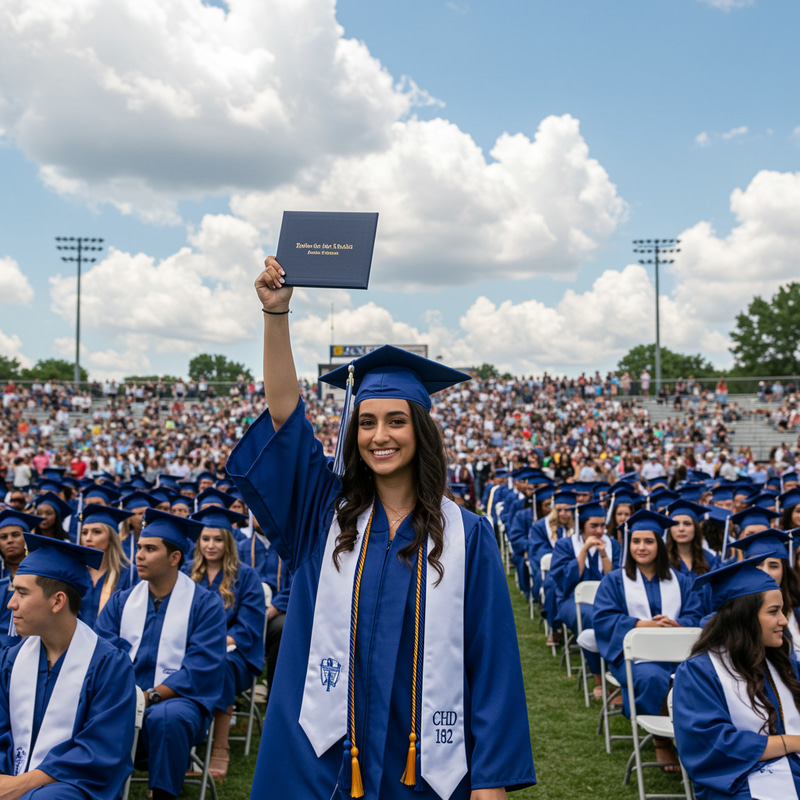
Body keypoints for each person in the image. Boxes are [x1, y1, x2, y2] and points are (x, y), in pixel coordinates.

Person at [226, 256, 536, 799]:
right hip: (319, 752)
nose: (379, 435)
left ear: (420, 430)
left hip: (420, 756)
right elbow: (285, 420)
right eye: (366, 421)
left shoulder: (467, 535)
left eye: (396, 421)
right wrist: (276, 316)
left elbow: (492, 665)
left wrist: (492, 782)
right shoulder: (322, 514)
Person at [96, 508, 227, 800]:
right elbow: (102, 652)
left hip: (180, 701)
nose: (139, 555)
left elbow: (201, 668)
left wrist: (149, 696)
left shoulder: (204, 605)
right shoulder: (122, 601)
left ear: (174, 558)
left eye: (150, 549)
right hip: (124, 696)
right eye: (140, 547)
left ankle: (162, 794)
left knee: (168, 718)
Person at [0, 533, 136, 799]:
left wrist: (22, 784)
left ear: (57, 601)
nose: (10, 603)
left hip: (77, 785)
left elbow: (99, 750)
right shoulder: (11, 661)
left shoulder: (109, 665)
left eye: (22, 593)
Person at [673, 557, 800, 798]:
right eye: (774, 611)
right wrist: (793, 742)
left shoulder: (783, 662)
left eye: (782, 610)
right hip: (740, 780)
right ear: (743, 617)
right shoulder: (699, 672)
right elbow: (712, 745)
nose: (784, 620)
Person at [593, 510, 702, 770]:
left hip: (678, 654)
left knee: (695, 677)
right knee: (651, 676)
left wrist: (676, 624)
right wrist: (643, 624)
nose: (641, 547)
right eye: (636, 541)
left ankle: (693, 738)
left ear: (660, 545)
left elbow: (695, 614)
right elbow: (604, 619)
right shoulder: (614, 582)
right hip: (634, 658)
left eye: (649, 541)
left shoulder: (682, 581)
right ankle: (662, 741)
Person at [188, 505, 266, 780]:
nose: (211, 545)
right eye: (206, 538)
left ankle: (220, 745)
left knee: (221, 666)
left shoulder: (246, 577)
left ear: (228, 542)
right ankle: (186, 744)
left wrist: (213, 646)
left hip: (235, 655)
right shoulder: (187, 574)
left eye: (218, 539)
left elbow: (248, 627)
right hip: (192, 650)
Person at [548, 500, 620, 697]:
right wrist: (584, 551)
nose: (599, 530)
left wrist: (603, 553)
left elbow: (614, 581)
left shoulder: (612, 545)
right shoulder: (565, 545)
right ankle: (599, 678)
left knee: (616, 617)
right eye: (593, 526)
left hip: (605, 601)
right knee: (593, 617)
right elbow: (564, 581)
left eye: (603, 525)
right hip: (572, 600)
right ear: (582, 526)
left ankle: (619, 672)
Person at [736, 530, 800, 655]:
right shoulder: (735, 614)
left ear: (784, 571)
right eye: (758, 564)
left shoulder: (796, 611)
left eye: (774, 565)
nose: (765, 572)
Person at [77, 504, 134, 627]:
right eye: (84, 532)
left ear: (111, 538)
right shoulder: (74, 572)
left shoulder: (129, 575)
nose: (88, 538)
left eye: (97, 532)